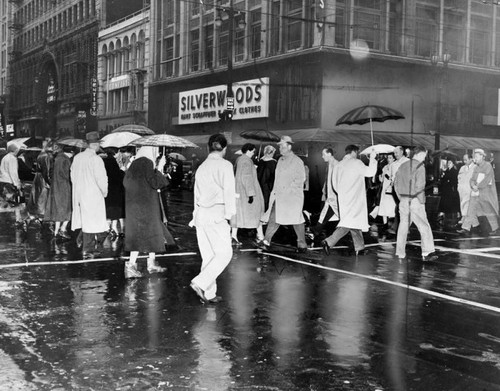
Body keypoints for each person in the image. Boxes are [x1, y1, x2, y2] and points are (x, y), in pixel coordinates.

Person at [189, 133, 236, 304]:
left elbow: (196, 195)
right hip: (217, 213)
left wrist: (195, 216)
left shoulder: (202, 167)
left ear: (208, 148)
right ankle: (201, 282)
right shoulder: (225, 165)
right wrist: (231, 216)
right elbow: (229, 191)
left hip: (201, 214)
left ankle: (209, 293)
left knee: (208, 256)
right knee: (224, 254)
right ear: (224, 149)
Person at [320, 145, 377, 256]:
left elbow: (334, 184)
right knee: (349, 223)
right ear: (354, 152)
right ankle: (328, 242)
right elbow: (370, 172)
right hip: (355, 199)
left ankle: (359, 248)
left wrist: (342, 193)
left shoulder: (339, 165)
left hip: (343, 199)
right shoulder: (357, 163)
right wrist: (373, 159)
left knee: (354, 223)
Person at [123, 146, 169, 278]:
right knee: (147, 233)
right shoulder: (146, 162)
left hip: (135, 206)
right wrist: (159, 168)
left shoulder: (134, 165)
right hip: (146, 207)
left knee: (145, 234)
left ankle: (151, 263)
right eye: (156, 151)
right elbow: (155, 183)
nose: (157, 154)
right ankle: (132, 266)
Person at [258, 136, 307, 253]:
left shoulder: (297, 161)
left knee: (297, 221)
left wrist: (288, 190)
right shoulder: (280, 160)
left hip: (292, 197)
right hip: (279, 196)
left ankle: (302, 244)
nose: (279, 148)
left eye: (282, 146)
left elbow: (301, 179)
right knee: (274, 217)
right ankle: (266, 240)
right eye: (279, 146)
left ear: (289, 146)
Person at [394, 145, 436, 261]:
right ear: (420, 154)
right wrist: (421, 201)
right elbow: (419, 187)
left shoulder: (402, 165)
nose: (425, 157)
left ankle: (400, 253)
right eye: (424, 155)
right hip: (415, 201)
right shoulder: (420, 166)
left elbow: (396, 184)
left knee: (403, 227)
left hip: (403, 200)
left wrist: (401, 198)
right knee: (424, 226)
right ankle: (427, 252)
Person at [70, 132, 108, 259]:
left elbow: (72, 176)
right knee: (94, 222)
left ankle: (83, 240)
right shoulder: (96, 159)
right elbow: (101, 179)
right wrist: (104, 192)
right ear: (96, 145)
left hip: (80, 193)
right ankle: (88, 248)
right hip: (93, 194)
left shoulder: (77, 158)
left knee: (87, 220)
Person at [231, 143, 265, 244]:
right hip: (247, 193)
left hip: (239, 191)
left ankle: (233, 236)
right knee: (257, 212)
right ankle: (260, 236)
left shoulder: (240, 159)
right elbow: (247, 178)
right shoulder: (246, 160)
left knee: (237, 215)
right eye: (253, 151)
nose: (254, 154)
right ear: (249, 150)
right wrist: (250, 194)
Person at [460, 149, 499, 235]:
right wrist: (472, 185)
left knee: (489, 211)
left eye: (476, 157)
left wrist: (477, 186)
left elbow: (487, 179)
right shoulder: (476, 167)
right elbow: (472, 179)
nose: (475, 159)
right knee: (470, 209)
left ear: (482, 156)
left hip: (486, 193)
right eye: (474, 157)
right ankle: (466, 228)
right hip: (476, 192)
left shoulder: (488, 166)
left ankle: (495, 228)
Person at [45, 144, 74, 239]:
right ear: (71, 152)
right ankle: (63, 228)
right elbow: (67, 174)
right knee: (68, 209)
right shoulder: (65, 159)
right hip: (64, 187)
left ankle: (56, 231)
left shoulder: (57, 158)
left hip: (55, 186)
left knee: (58, 209)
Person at [311, 146, 339, 241]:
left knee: (325, 214)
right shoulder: (330, 164)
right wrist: (324, 190)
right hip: (331, 196)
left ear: (329, 154)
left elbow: (337, 181)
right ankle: (318, 231)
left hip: (334, 197)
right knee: (329, 215)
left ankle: (316, 231)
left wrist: (334, 194)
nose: (322, 157)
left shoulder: (336, 165)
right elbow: (328, 180)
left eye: (323, 154)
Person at [27, 139, 53, 224]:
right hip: (43, 179)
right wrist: (49, 182)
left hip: (38, 178)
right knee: (43, 197)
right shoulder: (46, 156)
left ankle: (36, 214)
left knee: (37, 197)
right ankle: (42, 216)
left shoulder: (41, 154)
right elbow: (47, 171)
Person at [102, 147, 125, 239]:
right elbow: (117, 175)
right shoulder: (113, 162)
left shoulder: (104, 161)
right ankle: (114, 228)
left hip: (107, 189)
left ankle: (108, 228)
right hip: (115, 190)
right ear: (115, 153)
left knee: (108, 209)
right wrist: (122, 171)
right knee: (115, 210)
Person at [387, 146, 409, 234]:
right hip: (395, 189)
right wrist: (392, 181)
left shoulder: (408, 162)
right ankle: (399, 228)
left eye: (396, 152)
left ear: (402, 152)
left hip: (405, 188)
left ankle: (402, 228)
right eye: (394, 153)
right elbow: (392, 176)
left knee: (402, 208)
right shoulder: (393, 164)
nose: (395, 154)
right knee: (399, 207)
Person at [375, 153, 396, 229]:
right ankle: (385, 224)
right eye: (388, 158)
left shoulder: (395, 166)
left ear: (394, 159)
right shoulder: (385, 167)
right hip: (384, 189)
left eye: (390, 158)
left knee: (391, 207)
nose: (388, 159)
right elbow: (382, 180)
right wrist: (380, 176)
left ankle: (392, 224)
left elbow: (394, 178)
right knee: (384, 207)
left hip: (391, 189)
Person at [438, 158, 461, 227]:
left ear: (453, 163)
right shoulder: (447, 171)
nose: (448, 164)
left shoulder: (454, 171)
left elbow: (454, 181)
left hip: (451, 189)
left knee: (451, 203)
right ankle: (444, 214)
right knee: (445, 202)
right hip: (446, 189)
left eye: (450, 163)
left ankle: (453, 216)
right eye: (448, 163)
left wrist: (447, 181)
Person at [257, 145, 276, 211]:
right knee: (268, 203)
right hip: (269, 186)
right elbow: (274, 176)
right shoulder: (273, 162)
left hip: (259, 185)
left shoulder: (260, 161)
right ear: (271, 153)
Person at [457, 153, 475, 227]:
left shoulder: (475, 168)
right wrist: (459, 187)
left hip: (470, 190)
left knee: (468, 206)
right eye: (463, 160)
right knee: (463, 204)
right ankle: (467, 219)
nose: (464, 161)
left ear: (471, 159)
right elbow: (459, 178)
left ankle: (465, 219)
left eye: (466, 159)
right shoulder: (462, 168)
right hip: (462, 191)